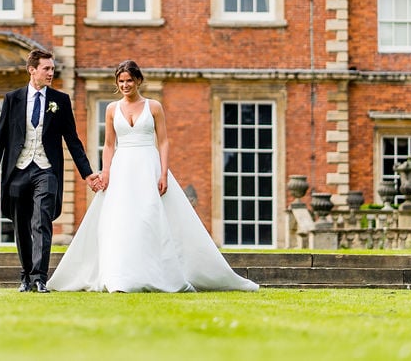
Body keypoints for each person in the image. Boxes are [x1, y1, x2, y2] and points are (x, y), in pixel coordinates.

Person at [48, 60, 259, 293]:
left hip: (148, 165)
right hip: (122, 168)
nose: (125, 85)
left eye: (129, 80)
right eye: (121, 81)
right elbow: (108, 145)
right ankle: (120, 277)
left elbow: (164, 141)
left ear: (138, 80)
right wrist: (106, 171)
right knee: (120, 220)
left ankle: (156, 272)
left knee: (149, 216)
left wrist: (164, 172)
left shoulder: (154, 106)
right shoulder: (111, 109)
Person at [0, 49, 103, 293]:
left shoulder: (60, 100)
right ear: (32, 70)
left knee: (41, 221)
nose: (51, 72)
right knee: (22, 226)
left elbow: (73, 140)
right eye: (46, 68)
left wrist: (87, 173)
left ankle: (40, 277)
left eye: (52, 68)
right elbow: (0, 140)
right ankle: (25, 275)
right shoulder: (13, 99)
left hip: (46, 170)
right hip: (17, 170)